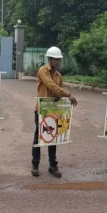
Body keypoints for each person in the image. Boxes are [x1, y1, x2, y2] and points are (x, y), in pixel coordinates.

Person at [31, 46, 78, 178]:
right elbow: (50, 85)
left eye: (59, 60)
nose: (58, 62)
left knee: (53, 137)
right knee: (39, 137)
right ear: (50, 59)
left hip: (54, 110)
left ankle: (53, 165)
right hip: (41, 109)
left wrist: (60, 96)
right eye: (56, 59)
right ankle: (35, 164)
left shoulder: (59, 76)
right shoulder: (43, 71)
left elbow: (58, 90)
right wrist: (68, 94)